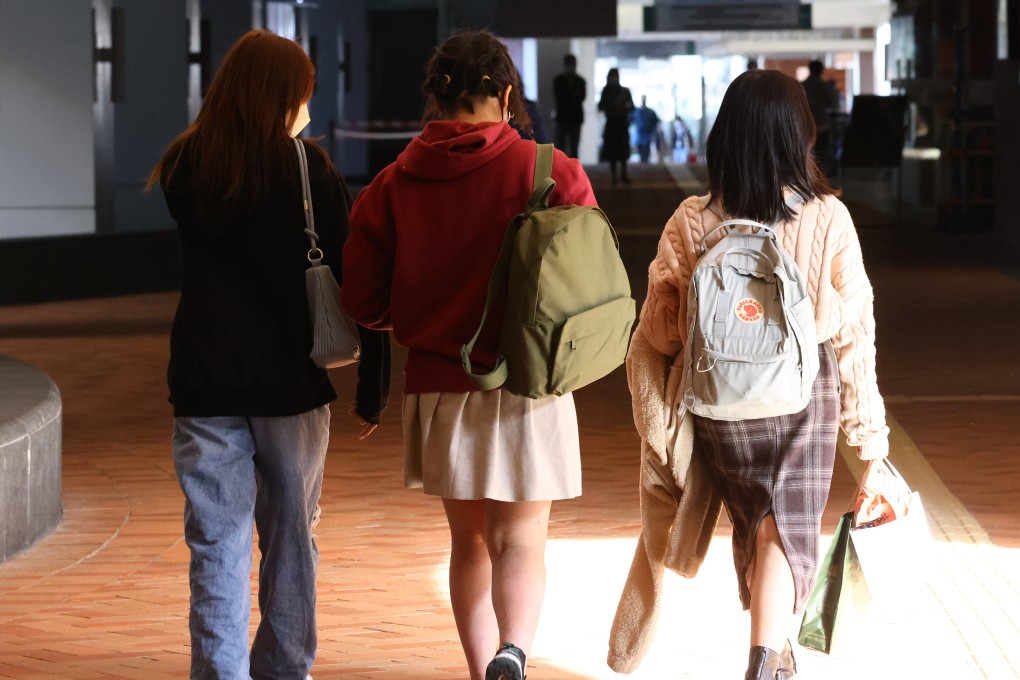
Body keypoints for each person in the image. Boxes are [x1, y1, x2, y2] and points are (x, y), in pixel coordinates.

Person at [340, 29, 597, 680]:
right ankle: (515, 650)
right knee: (520, 539)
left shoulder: (394, 183)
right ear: (507, 94)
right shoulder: (551, 171)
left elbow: (363, 301)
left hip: (441, 385)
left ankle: (484, 667)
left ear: (436, 99)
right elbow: (592, 280)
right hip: (530, 382)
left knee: (470, 542)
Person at [146, 29, 390, 680]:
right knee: (291, 540)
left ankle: (221, 672)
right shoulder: (309, 170)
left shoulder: (186, 163)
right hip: (290, 387)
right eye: (305, 95)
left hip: (204, 384)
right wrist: (373, 384)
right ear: (288, 97)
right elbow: (357, 279)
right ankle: (284, 669)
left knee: (216, 542)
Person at [634, 69, 889, 679]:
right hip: (805, 397)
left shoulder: (691, 221)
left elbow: (663, 333)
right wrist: (870, 441)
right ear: (799, 136)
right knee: (784, 523)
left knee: (758, 522)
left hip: (722, 398)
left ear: (726, 136)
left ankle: (776, 656)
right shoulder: (827, 216)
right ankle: (761, 662)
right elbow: (855, 333)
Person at [597, 68, 635, 185]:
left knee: (622, 151)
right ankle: (615, 175)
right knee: (612, 151)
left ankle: (623, 174)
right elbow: (600, 106)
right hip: (612, 123)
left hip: (621, 123)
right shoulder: (606, 91)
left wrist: (622, 108)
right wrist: (611, 106)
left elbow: (632, 107)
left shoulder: (624, 91)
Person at [801, 60, 838, 175]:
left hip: (806, 124)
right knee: (822, 152)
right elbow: (831, 103)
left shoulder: (803, 85)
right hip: (822, 124)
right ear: (821, 70)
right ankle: (820, 174)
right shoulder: (823, 86)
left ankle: (808, 174)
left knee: (807, 152)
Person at [552, 53, 586, 157]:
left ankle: (572, 171)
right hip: (562, 117)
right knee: (560, 147)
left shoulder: (580, 81)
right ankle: (561, 170)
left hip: (575, 118)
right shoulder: (559, 80)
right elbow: (559, 96)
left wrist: (570, 95)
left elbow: (582, 97)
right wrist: (573, 94)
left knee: (574, 147)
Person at [631, 95, 661, 163]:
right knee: (641, 153)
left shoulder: (651, 112)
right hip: (639, 136)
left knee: (645, 153)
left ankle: (644, 162)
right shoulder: (637, 112)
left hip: (647, 136)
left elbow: (655, 122)